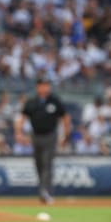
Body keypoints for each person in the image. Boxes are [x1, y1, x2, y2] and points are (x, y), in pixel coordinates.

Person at [14, 77, 71, 205]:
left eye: (47, 85)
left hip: (50, 136)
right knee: (39, 164)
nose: (45, 88)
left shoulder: (54, 100)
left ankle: (47, 192)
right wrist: (18, 132)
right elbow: (22, 117)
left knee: (47, 164)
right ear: (37, 87)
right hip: (35, 136)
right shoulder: (32, 102)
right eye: (43, 85)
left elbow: (65, 117)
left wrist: (66, 135)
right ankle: (43, 190)